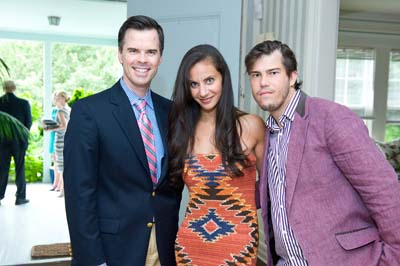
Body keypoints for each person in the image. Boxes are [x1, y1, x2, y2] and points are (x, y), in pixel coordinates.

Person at [245, 40, 400, 265]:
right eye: (255, 75)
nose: (263, 82)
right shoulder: (268, 132)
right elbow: (273, 189)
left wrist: (392, 259)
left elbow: (384, 192)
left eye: (273, 72)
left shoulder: (330, 117)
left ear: (292, 76)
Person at [64, 15, 181, 266]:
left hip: (164, 247)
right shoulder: (89, 112)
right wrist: (93, 260)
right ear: (120, 54)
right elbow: (79, 195)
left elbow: (171, 185)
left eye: (151, 51)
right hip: (112, 251)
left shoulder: (171, 112)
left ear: (160, 57)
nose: (142, 59)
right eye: (133, 50)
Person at [169, 44, 265, 265]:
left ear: (223, 78)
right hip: (190, 248)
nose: (203, 92)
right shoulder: (182, 130)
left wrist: (243, 205)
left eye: (209, 80)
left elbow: (272, 188)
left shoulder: (250, 126)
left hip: (238, 248)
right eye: (194, 84)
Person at [0, 80, 32, 206]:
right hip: (19, 141)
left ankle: (0, 195)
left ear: (4, 88)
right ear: (14, 88)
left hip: (2, 141)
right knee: (20, 168)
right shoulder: (23, 103)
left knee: (2, 169)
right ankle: (20, 197)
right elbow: (28, 122)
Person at [44, 91, 70, 197]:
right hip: (67, 139)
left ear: (63, 98)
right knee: (64, 165)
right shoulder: (69, 109)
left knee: (61, 166)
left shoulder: (60, 111)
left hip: (60, 140)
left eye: (58, 98)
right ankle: (63, 188)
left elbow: (64, 125)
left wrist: (50, 128)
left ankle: (63, 190)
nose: (57, 100)